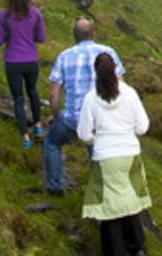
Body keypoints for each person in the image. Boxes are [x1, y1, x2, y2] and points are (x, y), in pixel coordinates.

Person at [76, 53, 151, 256]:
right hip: (129, 153)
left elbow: (83, 134)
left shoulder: (91, 98)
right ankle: (137, 246)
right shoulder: (130, 93)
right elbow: (143, 127)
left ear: (96, 72)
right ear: (116, 69)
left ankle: (116, 250)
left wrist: (97, 139)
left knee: (109, 207)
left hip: (105, 156)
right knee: (130, 200)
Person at [41, 17, 122, 196]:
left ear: (74, 36)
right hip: (101, 118)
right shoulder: (108, 53)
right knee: (97, 153)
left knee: (51, 142)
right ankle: (101, 191)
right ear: (94, 32)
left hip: (73, 118)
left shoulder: (65, 56)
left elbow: (54, 94)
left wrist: (55, 115)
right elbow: (121, 87)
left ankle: (55, 187)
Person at [0, 0, 48, 148]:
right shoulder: (36, 14)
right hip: (31, 60)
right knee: (32, 91)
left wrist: (10, 37)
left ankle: (25, 136)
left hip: (12, 61)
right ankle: (38, 126)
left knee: (18, 98)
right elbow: (41, 38)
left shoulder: (3, 15)